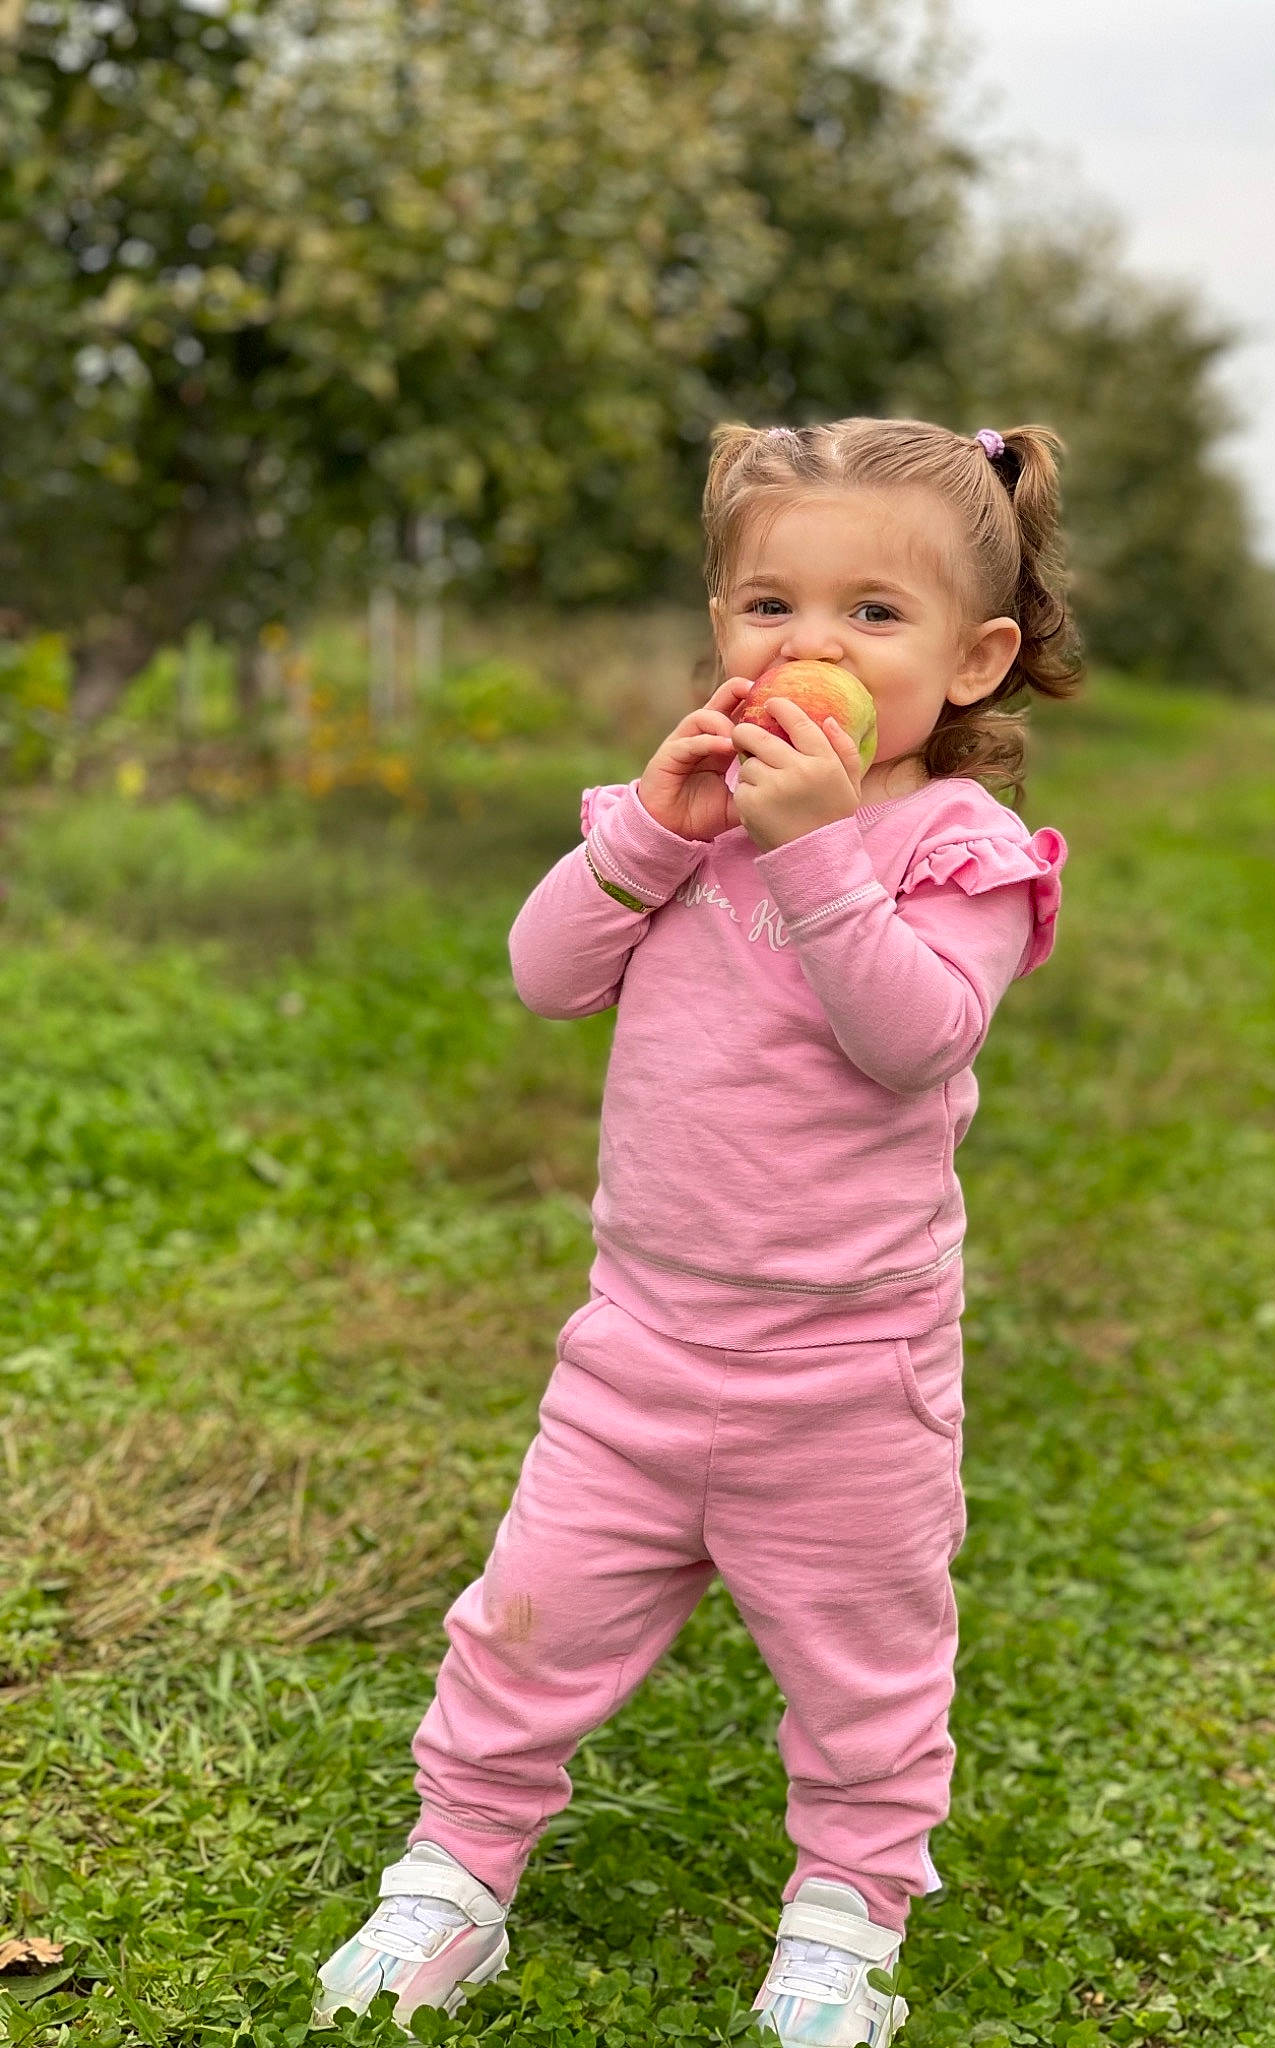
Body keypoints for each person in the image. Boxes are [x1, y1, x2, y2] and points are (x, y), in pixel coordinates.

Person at [312, 416, 1078, 2042]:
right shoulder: (692, 817)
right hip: (639, 1344)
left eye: (875, 614)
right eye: (768, 607)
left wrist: (810, 853)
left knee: (865, 1668)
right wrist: (655, 830)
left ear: (976, 657)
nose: (811, 647)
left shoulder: (959, 854)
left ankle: (844, 1920)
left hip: (847, 1368)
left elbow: (915, 1034)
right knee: (528, 1621)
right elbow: (545, 973)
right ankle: (456, 1869)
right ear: (720, 625)